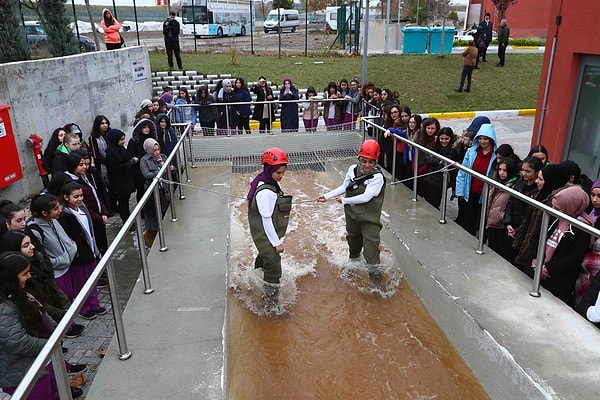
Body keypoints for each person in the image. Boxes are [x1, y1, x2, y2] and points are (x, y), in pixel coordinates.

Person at [0, 251, 84, 400]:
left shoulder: (20, 293)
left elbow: (40, 313)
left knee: (53, 391)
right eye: (24, 273)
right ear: (10, 278)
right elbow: (17, 342)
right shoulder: (4, 308)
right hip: (22, 371)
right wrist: (49, 344)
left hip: (39, 361)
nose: (29, 276)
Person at [317, 139, 385, 282]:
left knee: (371, 249)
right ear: (359, 158)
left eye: (371, 162)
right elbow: (344, 187)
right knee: (353, 243)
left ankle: (376, 282)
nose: (367, 165)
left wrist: (344, 201)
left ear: (376, 161)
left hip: (369, 218)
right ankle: (353, 269)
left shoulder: (378, 177)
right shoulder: (353, 169)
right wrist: (327, 196)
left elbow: (366, 197)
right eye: (364, 161)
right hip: (352, 215)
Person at [529, 185, 592, 305]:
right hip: (535, 270)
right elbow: (536, 237)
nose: (553, 210)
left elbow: (575, 258)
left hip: (557, 280)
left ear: (571, 206)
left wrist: (548, 269)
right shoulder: (552, 216)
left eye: (557, 208)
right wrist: (535, 259)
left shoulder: (583, 228)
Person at [247, 147, 292, 305]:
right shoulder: (266, 192)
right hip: (264, 232)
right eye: (278, 173)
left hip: (266, 230)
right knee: (273, 262)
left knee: (266, 256)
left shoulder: (264, 179)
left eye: (283, 172)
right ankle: (271, 304)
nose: (281, 176)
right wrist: (276, 243)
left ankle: (254, 277)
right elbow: (266, 220)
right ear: (268, 169)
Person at [512, 164, 572, 271]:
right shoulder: (541, 194)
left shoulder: (554, 204)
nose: (536, 181)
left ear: (551, 181)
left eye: (540, 179)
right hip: (525, 247)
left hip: (534, 255)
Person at [28, 194, 78, 307]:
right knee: (63, 301)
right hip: (56, 273)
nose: (60, 210)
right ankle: (68, 324)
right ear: (44, 213)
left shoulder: (53, 220)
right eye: (55, 209)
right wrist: (57, 261)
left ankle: (72, 323)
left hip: (67, 268)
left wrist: (72, 247)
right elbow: (38, 257)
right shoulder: (36, 230)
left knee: (70, 297)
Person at [454, 123, 498, 236]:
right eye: (480, 138)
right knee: (468, 220)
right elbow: (462, 172)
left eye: (486, 139)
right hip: (469, 192)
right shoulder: (471, 151)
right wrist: (460, 191)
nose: (483, 142)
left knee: (480, 221)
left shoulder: (496, 156)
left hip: (484, 195)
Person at [139, 139, 173, 248]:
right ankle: (151, 238)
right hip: (153, 191)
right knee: (153, 215)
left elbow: (171, 169)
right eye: (154, 150)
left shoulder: (163, 157)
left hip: (165, 188)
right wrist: (160, 171)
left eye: (158, 149)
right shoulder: (144, 160)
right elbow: (146, 174)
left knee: (165, 210)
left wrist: (171, 169)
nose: (157, 152)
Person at [485, 157, 520, 261]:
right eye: (500, 169)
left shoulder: (514, 186)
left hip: (502, 227)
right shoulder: (497, 182)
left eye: (505, 170)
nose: (501, 173)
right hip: (492, 223)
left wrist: (501, 217)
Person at [106, 129, 138, 226]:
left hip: (125, 180)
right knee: (123, 203)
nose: (123, 141)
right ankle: (127, 222)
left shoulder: (120, 149)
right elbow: (116, 167)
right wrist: (131, 162)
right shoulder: (111, 153)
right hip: (119, 182)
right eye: (121, 140)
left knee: (125, 201)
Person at [423, 127, 459, 209]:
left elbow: (444, 166)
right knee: (427, 199)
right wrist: (437, 161)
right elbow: (426, 158)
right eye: (442, 138)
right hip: (430, 178)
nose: (444, 141)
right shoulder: (436, 146)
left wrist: (434, 162)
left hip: (441, 181)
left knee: (434, 203)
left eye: (447, 139)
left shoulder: (452, 151)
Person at [128, 118, 157, 202]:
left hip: (152, 167)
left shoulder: (152, 139)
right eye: (144, 127)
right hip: (139, 170)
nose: (147, 129)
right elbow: (131, 155)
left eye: (148, 127)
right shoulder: (134, 141)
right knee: (141, 190)